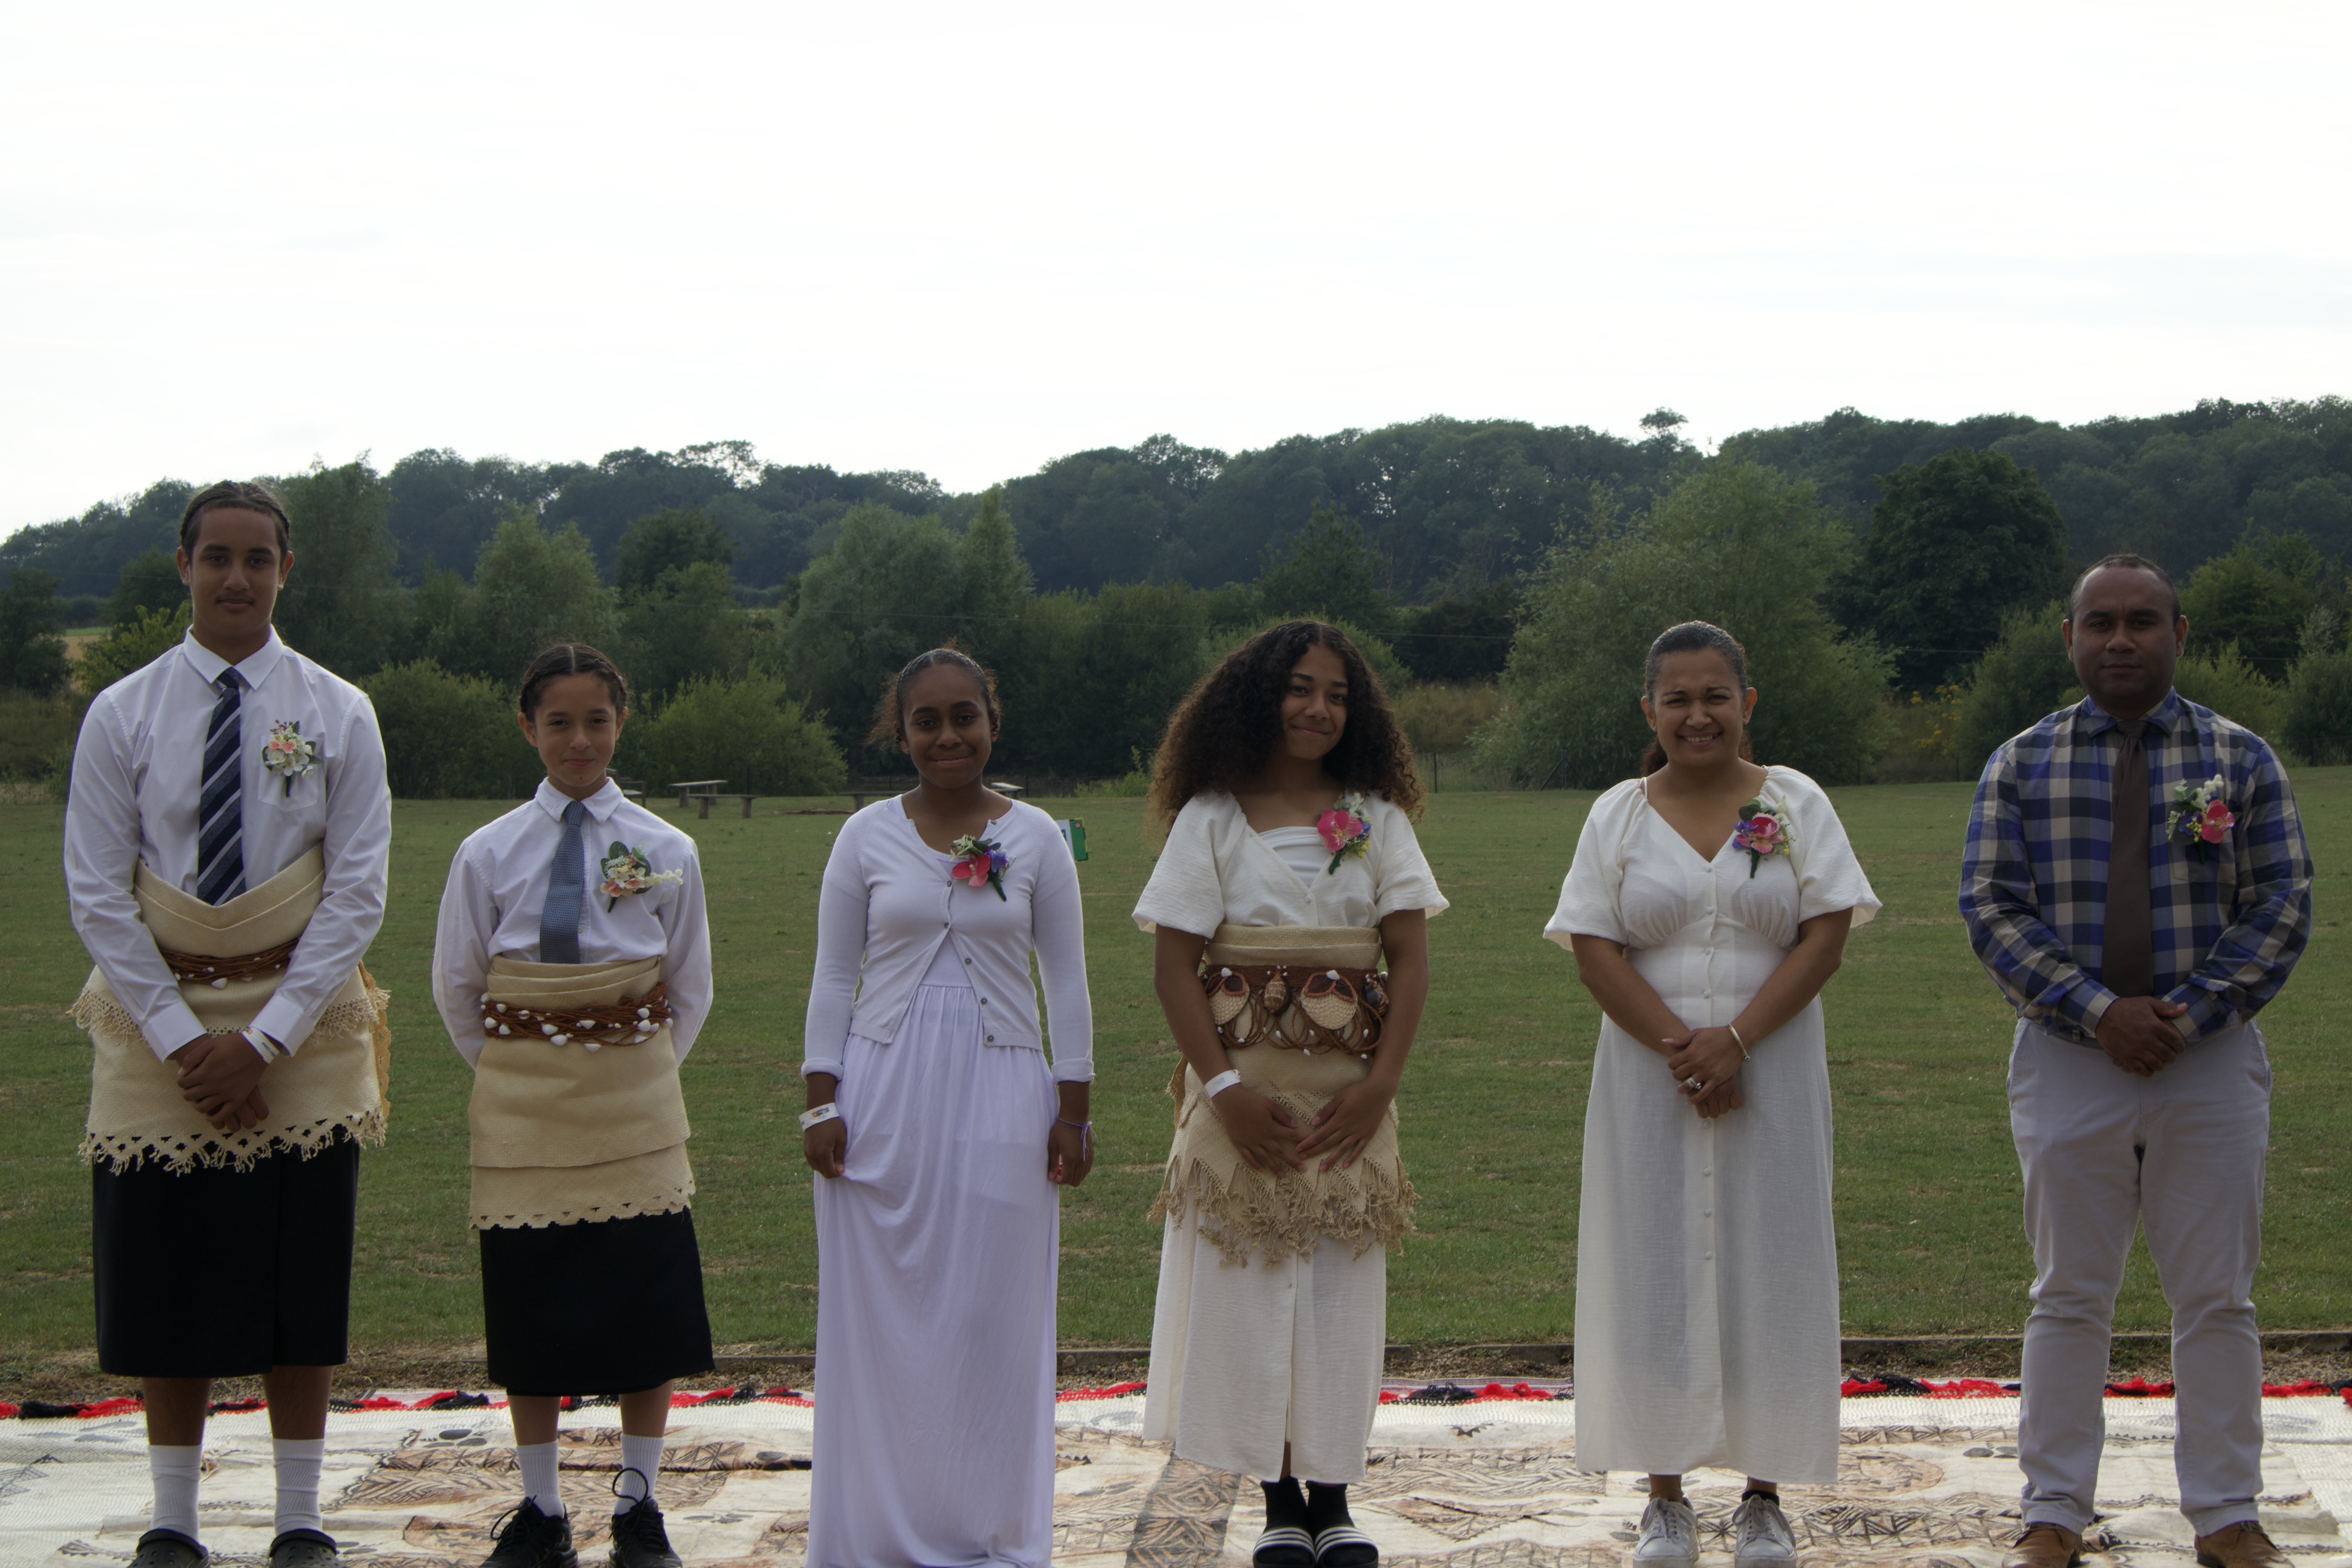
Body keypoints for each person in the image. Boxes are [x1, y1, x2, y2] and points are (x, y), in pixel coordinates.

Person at [63, 480, 392, 1568]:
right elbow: (98, 890)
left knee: (300, 1277)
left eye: (258, 559)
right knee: (167, 1275)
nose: (237, 578)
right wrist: (181, 1039)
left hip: (301, 1023)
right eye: (217, 557)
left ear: (286, 571)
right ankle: (174, 1521)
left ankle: (300, 1518)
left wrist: (263, 1041)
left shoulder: (339, 710)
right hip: (156, 1027)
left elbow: (356, 890)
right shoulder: (124, 713)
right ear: (184, 565)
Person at [1960, 557, 2312, 1568]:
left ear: (2179, 634)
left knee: (2217, 1296)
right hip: (2069, 1059)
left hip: (2210, 1062)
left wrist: (2185, 1017)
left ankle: (2227, 1514)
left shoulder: (2240, 758)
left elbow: (2282, 901)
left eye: (2143, 621)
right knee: (2069, 1291)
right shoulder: (2021, 763)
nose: (2121, 639)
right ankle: (2053, 1513)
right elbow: (1990, 903)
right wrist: (2100, 1011)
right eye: (2101, 621)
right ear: (2070, 635)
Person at [1546, 620, 1878, 1568]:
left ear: (1748, 701)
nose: (1699, 715)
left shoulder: (1795, 802)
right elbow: (1594, 949)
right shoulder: (1617, 814)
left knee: (1773, 1262)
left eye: (1716, 695)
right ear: (1649, 709)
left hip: (1773, 1071)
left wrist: (1736, 1043)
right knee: (1654, 1263)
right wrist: (1688, 1055)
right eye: (1678, 698)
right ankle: (1665, 1497)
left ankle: (1765, 1496)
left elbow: (1825, 935)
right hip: (1649, 1080)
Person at [1134, 620, 1443, 1568]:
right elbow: (1175, 967)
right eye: (1300, 687)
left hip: (1348, 1103)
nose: (1319, 708)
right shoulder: (1211, 817)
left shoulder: (1377, 818)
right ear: (1257, 697)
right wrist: (1224, 1089)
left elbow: (1409, 959)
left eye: (1337, 694)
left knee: (1338, 1296)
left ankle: (1335, 1500)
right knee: (1252, 1294)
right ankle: (1277, 1501)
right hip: (1242, 1104)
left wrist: (1381, 1085)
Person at [799, 646, 1094, 1568]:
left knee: (989, 1315)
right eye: (926, 720)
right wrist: (819, 1099)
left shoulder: (1039, 837)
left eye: (964, 715)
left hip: (1004, 1088)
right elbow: (835, 974)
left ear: (992, 722)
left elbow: (1067, 979)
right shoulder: (864, 836)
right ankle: (877, 1530)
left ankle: (986, 1528)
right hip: (882, 1093)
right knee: (885, 1317)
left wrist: (1074, 1107)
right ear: (901, 734)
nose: (947, 735)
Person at [431, 642, 715, 1568]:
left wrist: (628, 1072)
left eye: (597, 720)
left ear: (620, 723)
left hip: (635, 1102)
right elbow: (457, 985)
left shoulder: (668, 849)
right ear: (529, 727)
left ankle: (639, 1505)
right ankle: (542, 1507)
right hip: (523, 1107)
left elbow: (690, 986)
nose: (579, 739)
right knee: (531, 1302)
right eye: (559, 721)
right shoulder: (487, 852)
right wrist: (522, 1071)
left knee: (646, 1305)